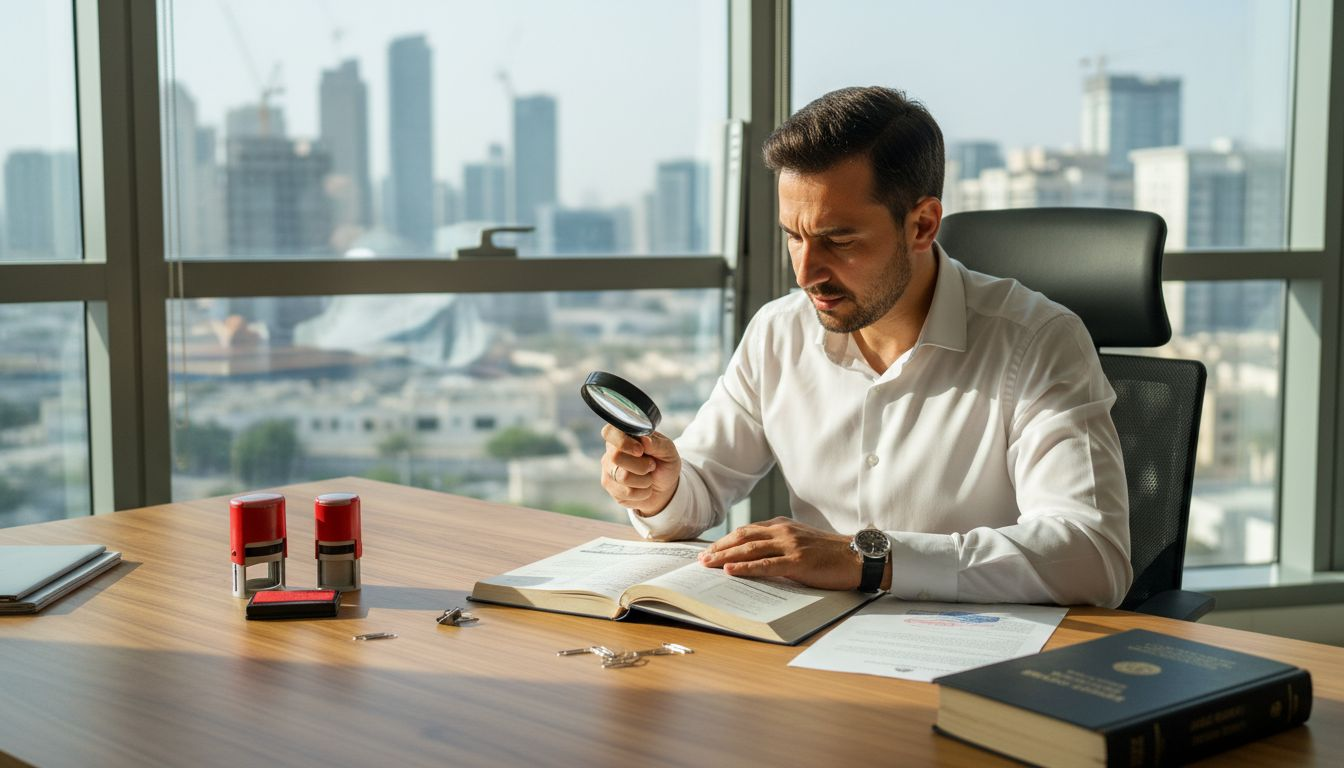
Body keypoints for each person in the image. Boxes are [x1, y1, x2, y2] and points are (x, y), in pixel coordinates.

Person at [599, 86, 1131, 607]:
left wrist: (868, 560)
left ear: (922, 224)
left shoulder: (1038, 341)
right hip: (811, 649)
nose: (807, 272)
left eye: (839, 240)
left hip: (972, 660)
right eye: (793, 236)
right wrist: (659, 489)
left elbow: (1092, 555)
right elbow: (701, 486)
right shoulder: (778, 333)